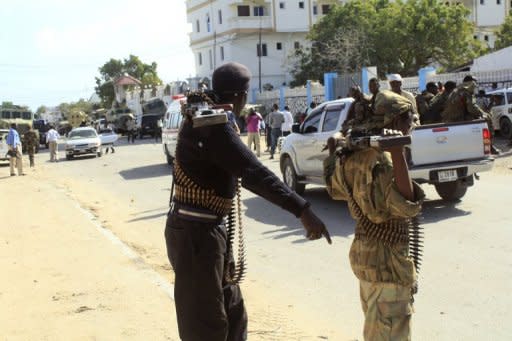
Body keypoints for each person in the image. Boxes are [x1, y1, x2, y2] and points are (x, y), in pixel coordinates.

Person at [165, 62, 331, 341]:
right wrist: (302, 209)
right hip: (196, 235)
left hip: (205, 231)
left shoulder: (209, 117)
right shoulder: (213, 125)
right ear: (242, 95)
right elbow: (253, 172)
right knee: (207, 327)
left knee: (233, 316)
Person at [324, 89, 425, 341]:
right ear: (395, 121)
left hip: (366, 259)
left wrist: (332, 151)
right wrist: (398, 152)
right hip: (388, 265)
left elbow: (333, 188)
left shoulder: (353, 154)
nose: (411, 125)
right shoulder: (385, 160)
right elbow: (407, 207)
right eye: (408, 119)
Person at [442, 75, 500, 154]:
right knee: (487, 119)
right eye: (475, 83)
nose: (475, 85)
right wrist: (484, 114)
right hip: (459, 118)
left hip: (449, 119)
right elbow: (471, 108)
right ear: (471, 82)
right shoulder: (466, 90)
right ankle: (490, 146)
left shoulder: (456, 90)